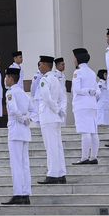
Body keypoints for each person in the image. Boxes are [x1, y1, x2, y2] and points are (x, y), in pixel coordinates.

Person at [0, 67, 32, 206]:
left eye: (6, 77)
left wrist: (21, 119)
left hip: (15, 130)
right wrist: (27, 119)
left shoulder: (11, 93)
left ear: (11, 78)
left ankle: (18, 193)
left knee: (16, 164)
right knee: (24, 163)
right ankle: (26, 193)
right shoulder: (24, 94)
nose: (5, 80)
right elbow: (32, 109)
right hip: (25, 131)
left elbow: (13, 109)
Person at [34, 55, 66, 184]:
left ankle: (53, 173)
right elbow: (63, 97)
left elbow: (47, 99)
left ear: (46, 65)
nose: (39, 66)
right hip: (55, 117)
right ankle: (61, 173)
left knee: (51, 146)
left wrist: (57, 110)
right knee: (57, 146)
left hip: (48, 116)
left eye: (41, 64)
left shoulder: (45, 79)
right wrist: (60, 111)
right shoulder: (55, 79)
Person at [71, 48, 100, 166]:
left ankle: (84, 157)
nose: (73, 60)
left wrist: (88, 91)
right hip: (92, 105)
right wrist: (91, 92)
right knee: (93, 131)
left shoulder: (78, 72)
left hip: (82, 105)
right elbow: (97, 91)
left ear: (78, 59)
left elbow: (77, 90)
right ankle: (93, 156)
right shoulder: (92, 72)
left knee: (85, 132)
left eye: (74, 58)